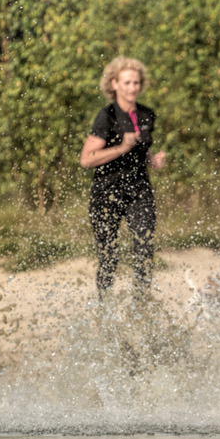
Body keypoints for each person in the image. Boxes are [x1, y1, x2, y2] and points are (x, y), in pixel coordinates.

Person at [79, 57, 167, 296]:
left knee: (144, 249)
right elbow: (86, 159)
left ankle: (141, 306)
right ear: (114, 84)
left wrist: (152, 160)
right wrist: (121, 148)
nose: (132, 88)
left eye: (136, 83)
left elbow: (141, 146)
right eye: (127, 83)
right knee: (109, 256)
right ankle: (105, 308)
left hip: (139, 190)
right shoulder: (106, 116)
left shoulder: (147, 115)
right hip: (106, 192)